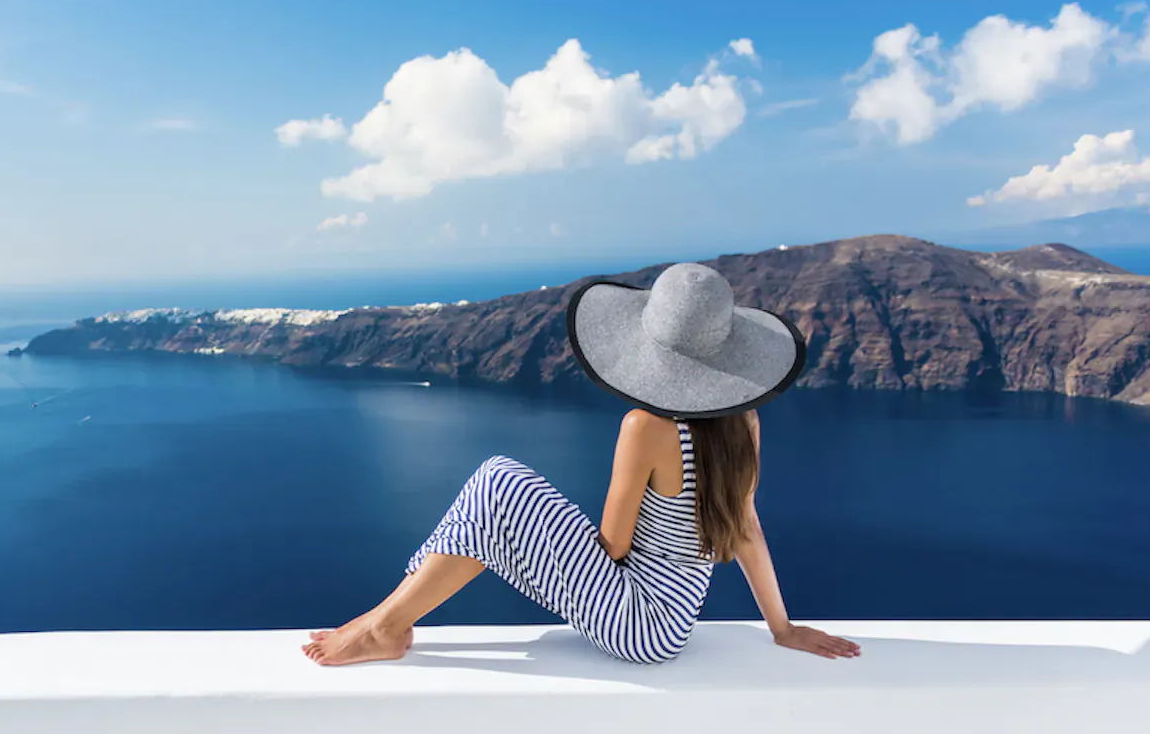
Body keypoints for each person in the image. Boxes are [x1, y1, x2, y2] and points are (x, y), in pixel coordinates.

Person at [304, 262, 861, 666]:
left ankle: (385, 626)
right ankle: (385, 618)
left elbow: (614, 547)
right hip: (673, 624)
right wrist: (781, 628)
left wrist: (524, 540)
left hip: (635, 623)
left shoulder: (647, 427)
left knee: (497, 486)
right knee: (494, 500)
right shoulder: (745, 424)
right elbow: (744, 526)